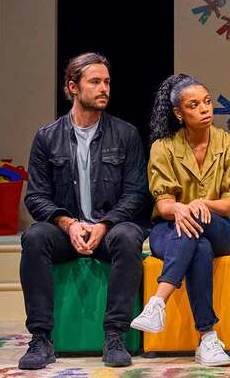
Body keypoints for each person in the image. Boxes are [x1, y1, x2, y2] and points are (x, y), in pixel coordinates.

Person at [20, 52, 149, 369]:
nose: (104, 87)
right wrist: (68, 223)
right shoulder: (47, 137)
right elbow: (35, 196)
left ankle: (115, 336)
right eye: (95, 81)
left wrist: (104, 225)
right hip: (67, 231)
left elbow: (136, 194)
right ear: (73, 87)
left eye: (106, 81)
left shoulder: (126, 134)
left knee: (129, 235)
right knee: (34, 237)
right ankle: (40, 339)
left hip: (108, 230)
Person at [130, 74, 230, 367]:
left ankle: (158, 301)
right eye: (194, 105)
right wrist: (179, 209)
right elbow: (164, 203)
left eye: (207, 102)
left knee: (200, 230)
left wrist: (198, 204)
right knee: (199, 247)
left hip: (220, 228)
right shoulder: (163, 148)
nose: (205, 109)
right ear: (179, 114)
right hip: (168, 229)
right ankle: (207, 338)